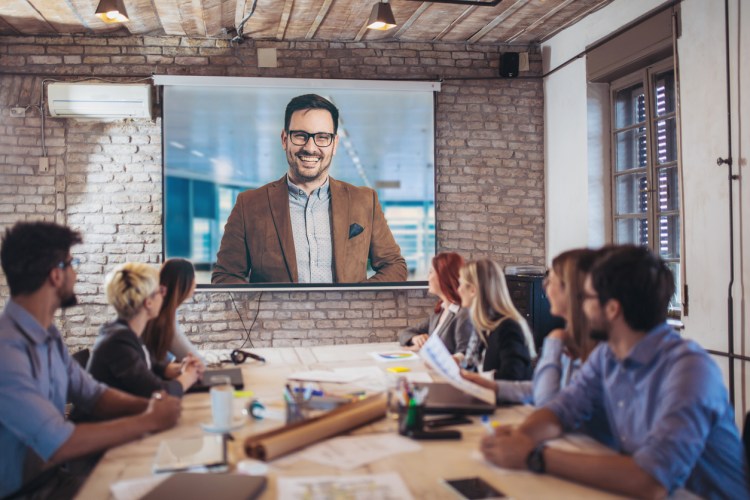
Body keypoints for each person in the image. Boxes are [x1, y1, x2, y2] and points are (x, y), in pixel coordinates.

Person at [480, 245, 748, 498]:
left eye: (586, 297)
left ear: (612, 309)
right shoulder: (607, 356)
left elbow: (651, 480)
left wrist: (534, 455)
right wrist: (520, 438)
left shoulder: (690, 370)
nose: (580, 306)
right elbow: (560, 409)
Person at [0, 221, 181, 499]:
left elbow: (93, 394)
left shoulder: (48, 335)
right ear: (55, 275)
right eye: (72, 263)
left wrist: (150, 406)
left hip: (55, 478)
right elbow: (58, 441)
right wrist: (149, 421)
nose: (75, 273)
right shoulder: (7, 352)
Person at [212, 93, 407, 284]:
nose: (311, 147)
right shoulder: (249, 205)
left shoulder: (364, 201)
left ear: (334, 144)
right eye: (300, 136)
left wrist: (356, 300)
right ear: (284, 139)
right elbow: (225, 276)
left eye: (322, 137)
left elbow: (394, 266)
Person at [462, 249, 599, 405]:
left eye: (550, 280)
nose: (545, 287)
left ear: (570, 289)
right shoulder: (570, 336)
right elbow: (539, 389)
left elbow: (549, 402)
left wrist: (554, 343)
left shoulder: (591, 346)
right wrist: (491, 385)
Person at [87, 262, 202, 398]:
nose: (164, 295)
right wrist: (189, 376)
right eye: (161, 291)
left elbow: (151, 367)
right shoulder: (118, 343)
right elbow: (157, 393)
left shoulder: (127, 334)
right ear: (148, 302)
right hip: (105, 419)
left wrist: (180, 369)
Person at [456, 259, 535, 381]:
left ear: (473, 290)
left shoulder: (508, 327)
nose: (458, 290)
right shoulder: (484, 326)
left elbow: (512, 376)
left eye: (460, 284)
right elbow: (475, 369)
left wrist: (474, 378)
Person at [398, 252, 473, 355]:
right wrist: (416, 339)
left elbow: (464, 355)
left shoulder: (463, 315)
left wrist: (427, 350)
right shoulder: (440, 311)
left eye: (431, 272)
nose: (428, 277)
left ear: (444, 276)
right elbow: (404, 333)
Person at [143, 258, 204, 364]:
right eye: (193, 277)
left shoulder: (166, 311)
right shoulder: (164, 318)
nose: (195, 282)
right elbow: (197, 361)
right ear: (184, 282)